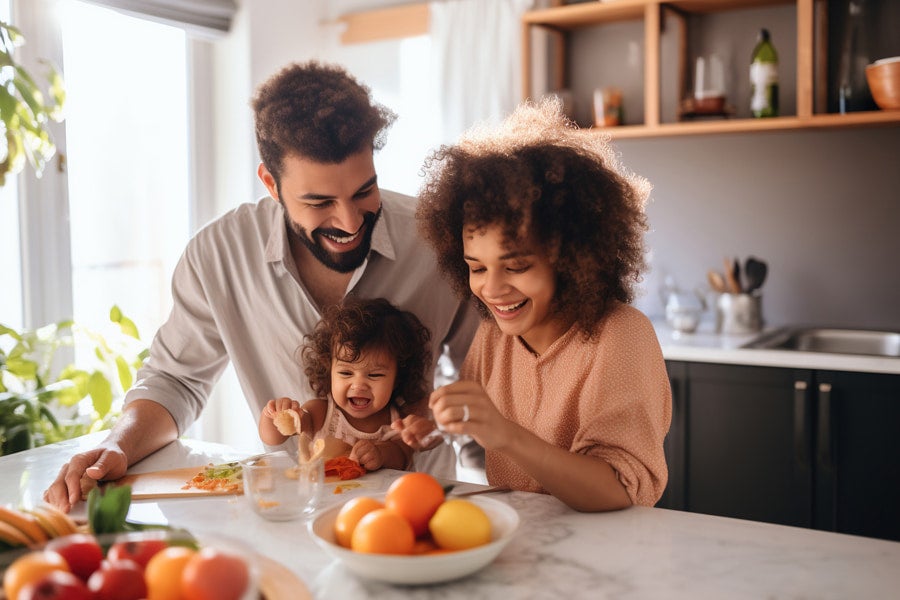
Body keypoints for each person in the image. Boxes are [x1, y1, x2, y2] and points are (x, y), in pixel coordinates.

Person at [44, 60, 478, 511]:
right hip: (289, 512)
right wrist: (119, 445)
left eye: (364, 191)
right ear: (271, 183)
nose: (350, 221)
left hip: (419, 507)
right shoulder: (219, 255)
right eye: (319, 202)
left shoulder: (437, 240)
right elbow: (175, 379)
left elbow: (487, 375)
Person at [396, 98, 672, 512]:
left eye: (517, 266)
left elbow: (621, 491)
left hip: (608, 560)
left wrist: (505, 435)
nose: (491, 289)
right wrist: (437, 426)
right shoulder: (494, 333)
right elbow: (479, 414)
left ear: (572, 258)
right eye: (476, 267)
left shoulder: (621, 335)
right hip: (525, 547)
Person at [259, 298, 431, 472]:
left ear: (397, 379)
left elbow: (402, 457)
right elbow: (272, 438)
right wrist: (275, 415)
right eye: (346, 373)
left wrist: (380, 453)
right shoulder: (320, 413)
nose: (358, 385)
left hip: (382, 499)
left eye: (374, 375)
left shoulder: (399, 421)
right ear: (329, 370)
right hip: (326, 498)